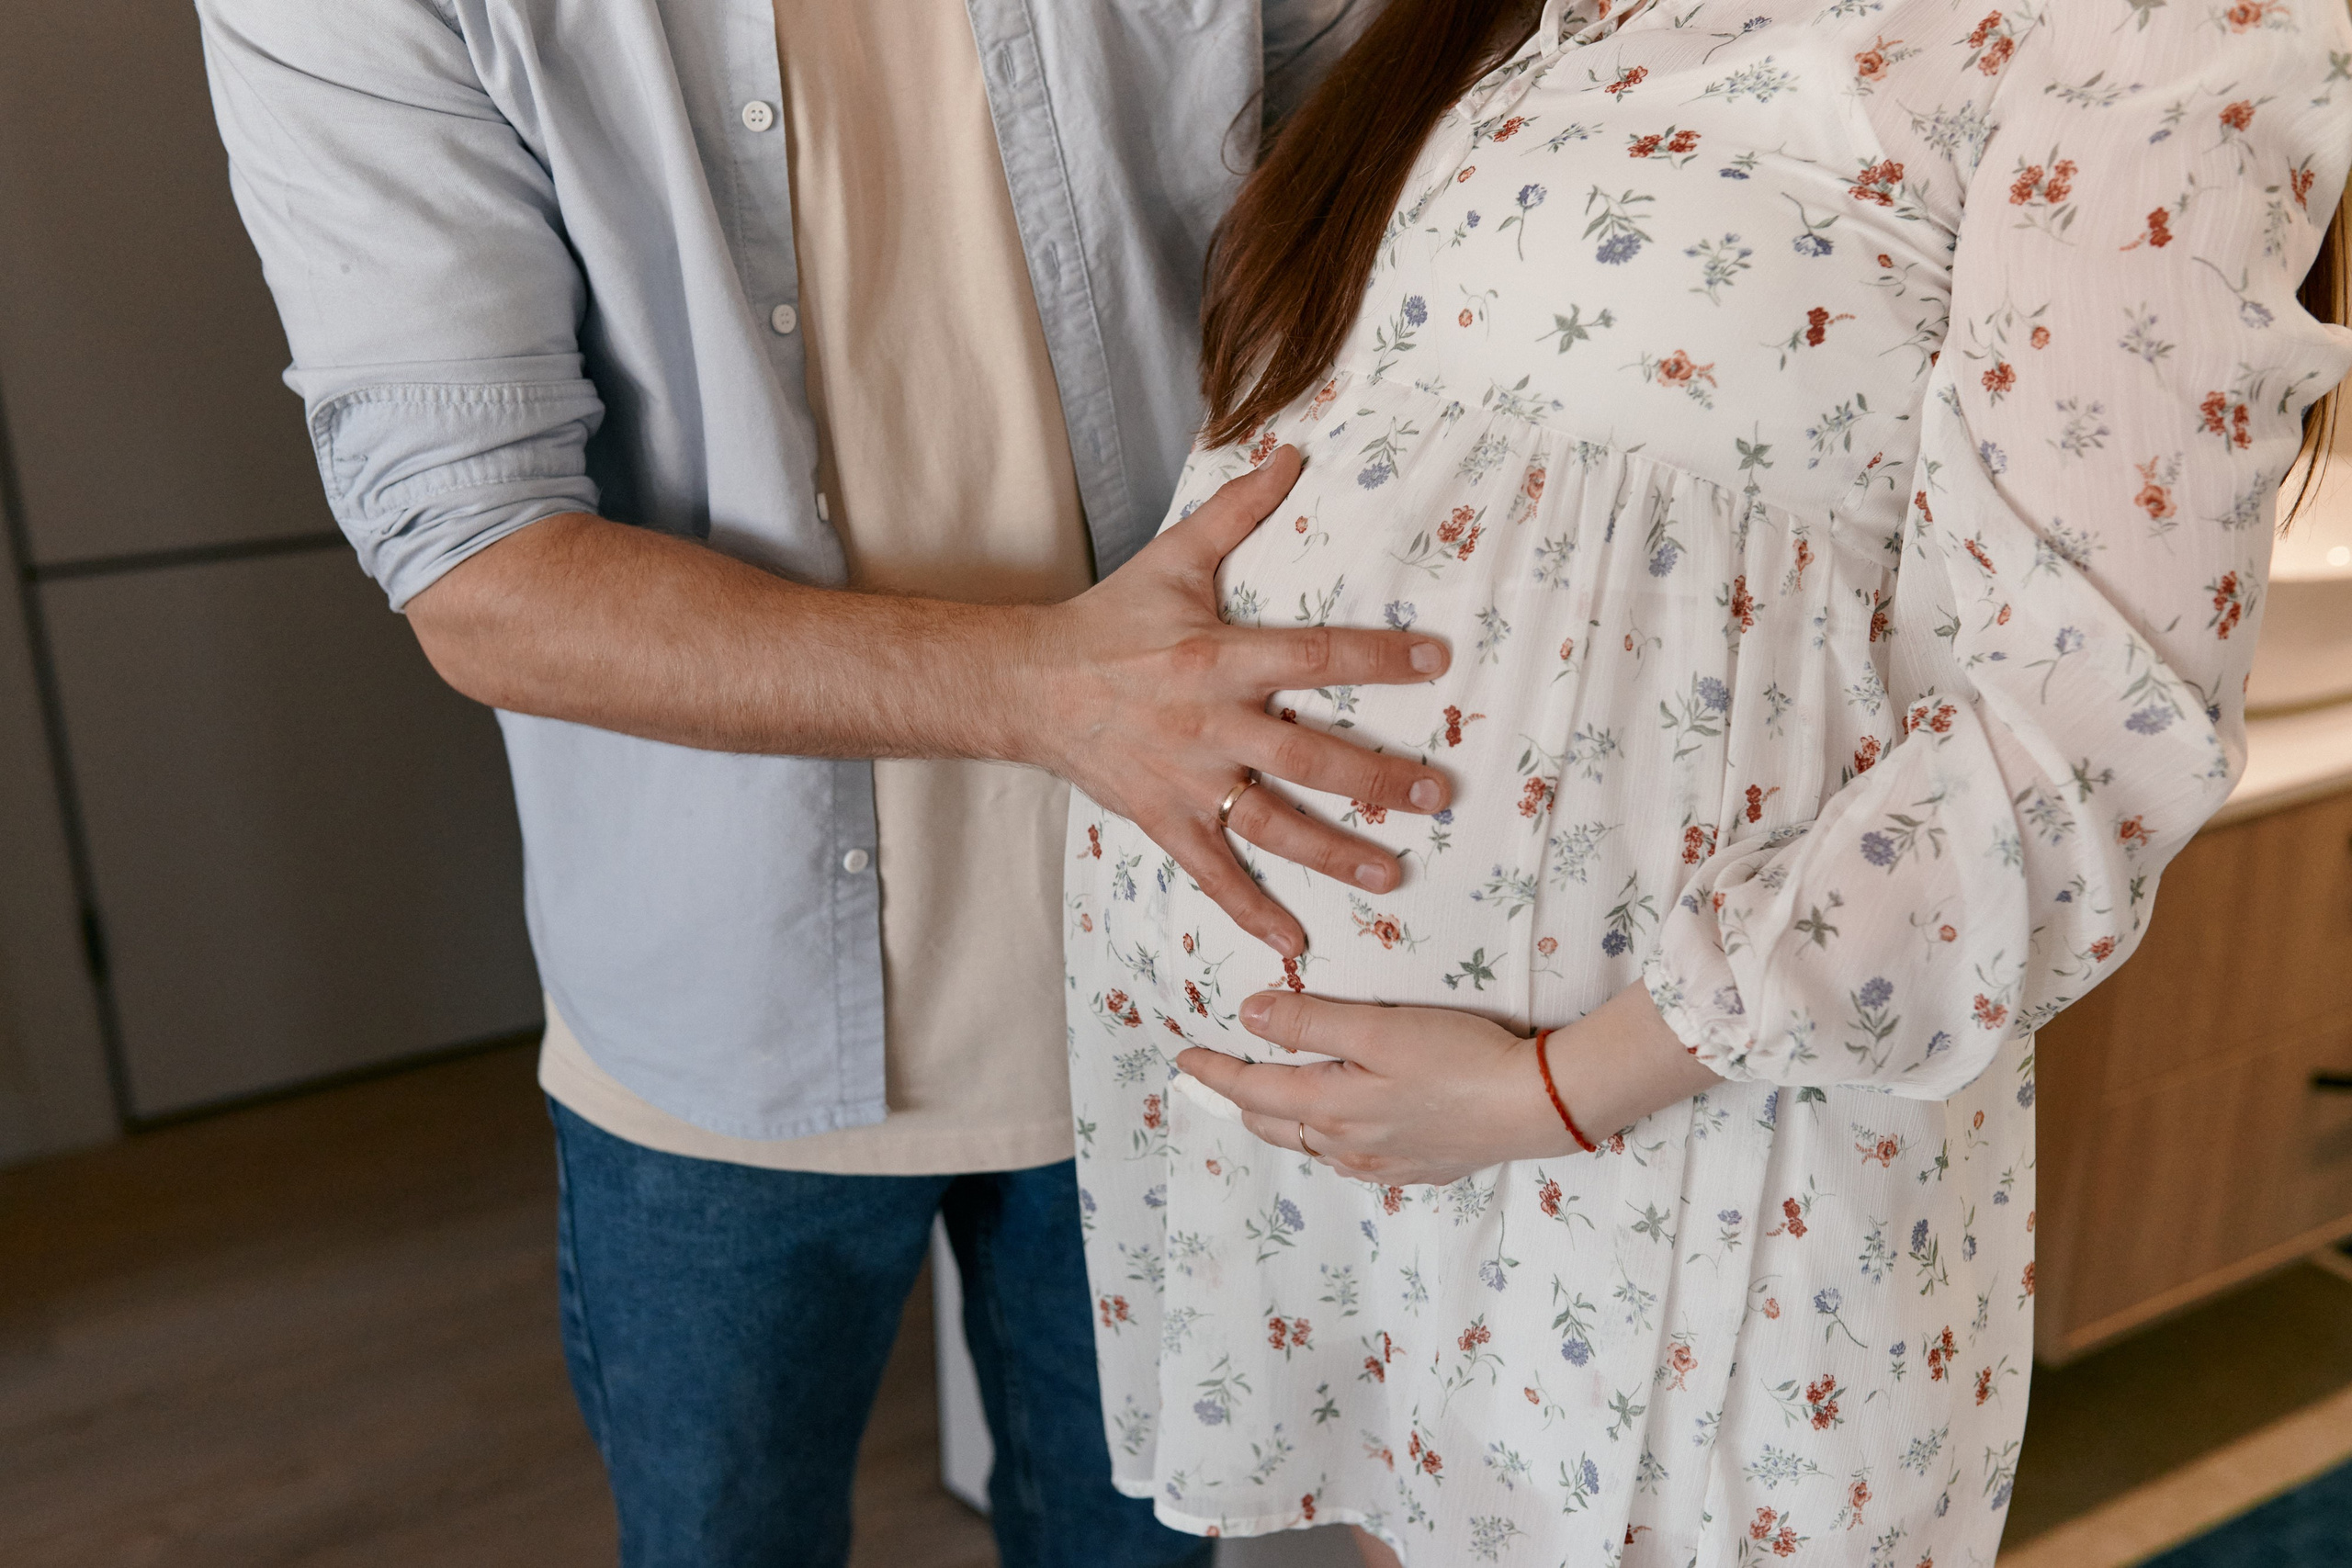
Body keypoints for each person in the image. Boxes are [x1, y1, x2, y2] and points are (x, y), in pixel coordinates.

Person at [1065, 1, 2352, 1563]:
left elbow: (2088, 731)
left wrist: (1547, 1091)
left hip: (1657, 1148)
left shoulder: (2147, 30)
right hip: (1339, 1192)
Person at [192, 3, 1442, 1565]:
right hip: (712, 1003)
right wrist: (1056, 692)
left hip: (1174, 955)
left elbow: (1420, 264)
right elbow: (482, 570)